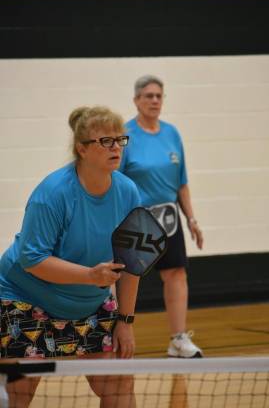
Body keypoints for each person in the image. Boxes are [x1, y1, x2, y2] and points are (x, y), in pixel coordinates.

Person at [0, 106, 141, 408]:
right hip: (25, 295)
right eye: (106, 141)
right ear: (82, 148)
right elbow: (32, 259)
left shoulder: (129, 193)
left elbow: (132, 264)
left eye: (120, 139)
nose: (116, 147)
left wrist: (126, 320)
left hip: (89, 302)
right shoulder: (52, 194)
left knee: (119, 383)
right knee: (18, 393)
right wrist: (91, 276)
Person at [120, 75, 204, 358]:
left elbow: (182, 182)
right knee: (128, 278)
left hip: (170, 219)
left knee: (176, 274)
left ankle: (178, 340)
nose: (154, 100)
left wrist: (191, 219)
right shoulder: (125, 135)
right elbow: (115, 183)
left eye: (159, 96)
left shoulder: (172, 133)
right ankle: (117, 335)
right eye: (148, 96)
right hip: (138, 220)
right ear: (136, 100)